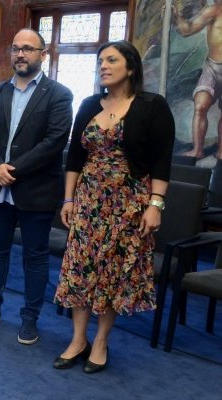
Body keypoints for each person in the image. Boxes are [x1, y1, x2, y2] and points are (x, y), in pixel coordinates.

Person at [53, 40, 174, 373]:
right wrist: (68, 198)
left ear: (130, 67)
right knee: (80, 270)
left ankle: (102, 341)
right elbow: (75, 158)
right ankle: (78, 340)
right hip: (88, 201)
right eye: (100, 61)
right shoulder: (90, 103)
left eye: (111, 60)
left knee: (113, 274)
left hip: (128, 203)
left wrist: (155, 205)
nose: (103, 65)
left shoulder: (152, 106)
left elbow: (162, 162)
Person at [0, 29, 73, 344]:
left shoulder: (59, 94)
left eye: (28, 48)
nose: (20, 54)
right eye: (15, 49)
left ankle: (30, 318)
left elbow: (54, 142)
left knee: (35, 256)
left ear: (43, 54)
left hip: (36, 190)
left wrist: (12, 169)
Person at [172, 0, 222, 159]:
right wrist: (175, 16)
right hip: (212, 68)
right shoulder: (214, 11)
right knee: (200, 105)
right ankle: (197, 150)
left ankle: (221, 151)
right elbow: (186, 30)